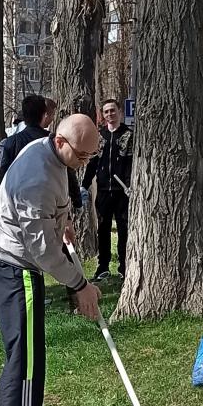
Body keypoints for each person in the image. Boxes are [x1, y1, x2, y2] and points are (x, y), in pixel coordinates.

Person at [0, 113, 103, 406]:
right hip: (17, 267)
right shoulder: (35, 177)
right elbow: (43, 253)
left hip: (15, 260)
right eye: (81, 156)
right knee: (29, 359)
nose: (84, 164)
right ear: (60, 141)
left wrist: (60, 223)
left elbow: (53, 211)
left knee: (20, 349)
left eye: (89, 158)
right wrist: (80, 285)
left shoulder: (48, 153)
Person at [82, 98, 133, 281]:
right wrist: (84, 185)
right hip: (103, 191)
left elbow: (131, 163)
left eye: (113, 110)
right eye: (106, 112)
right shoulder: (99, 136)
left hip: (122, 193)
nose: (110, 114)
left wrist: (130, 185)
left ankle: (124, 266)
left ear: (119, 112)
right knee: (102, 229)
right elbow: (92, 163)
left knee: (123, 229)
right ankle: (102, 266)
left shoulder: (128, 135)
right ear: (102, 115)